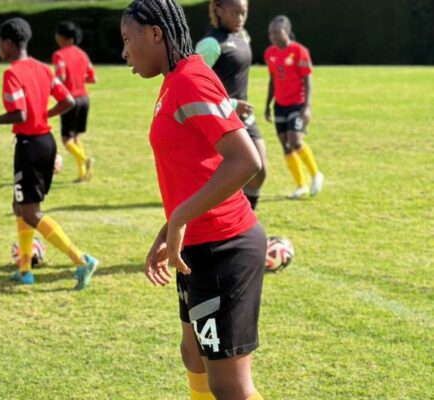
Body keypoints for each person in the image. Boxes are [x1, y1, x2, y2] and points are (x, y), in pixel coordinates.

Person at [121, 1, 266, 399]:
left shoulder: (188, 80)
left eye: (127, 40)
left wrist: (181, 217)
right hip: (196, 247)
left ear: (155, 34)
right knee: (193, 354)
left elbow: (245, 160)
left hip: (225, 246)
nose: (124, 53)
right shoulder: (174, 80)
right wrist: (170, 227)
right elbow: (195, 168)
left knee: (230, 386)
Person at [0, 18, 99, 289]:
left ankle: (81, 259)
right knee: (20, 206)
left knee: (30, 212)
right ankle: (25, 268)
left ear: (7, 44)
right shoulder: (44, 68)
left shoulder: (12, 73)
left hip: (29, 146)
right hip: (46, 142)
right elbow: (68, 101)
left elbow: (20, 113)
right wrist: (45, 114)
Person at [195, 0, 267, 210]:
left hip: (244, 116)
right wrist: (233, 104)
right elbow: (194, 85)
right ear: (219, 9)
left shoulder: (243, 35)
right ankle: (237, 225)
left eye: (244, 12)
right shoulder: (210, 44)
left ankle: (246, 219)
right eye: (235, 12)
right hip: (222, 117)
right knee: (229, 175)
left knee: (259, 172)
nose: (240, 18)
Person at [264, 15, 324, 199]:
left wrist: (307, 107)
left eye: (277, 32)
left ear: (287, 31)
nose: (273, 36)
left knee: (296, 141)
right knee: (285, 145)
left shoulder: (299, 51)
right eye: (271, 33)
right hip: (280, 105)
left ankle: (316, 174)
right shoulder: (270, 53)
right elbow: (272, 80)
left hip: (297, 104)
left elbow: (307, 79)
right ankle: (301, 185)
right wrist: (268, 105)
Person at [52, 21, 97, 182]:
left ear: (64, 38)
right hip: (84, 99)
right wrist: (78, 79)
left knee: (66, 138)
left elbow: (61, 77)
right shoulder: (82, 54)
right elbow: (93, 78)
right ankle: (82, 173)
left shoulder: (59, 55)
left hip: (70, 100)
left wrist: (53, 86)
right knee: (76, 136)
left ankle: (84, 159)